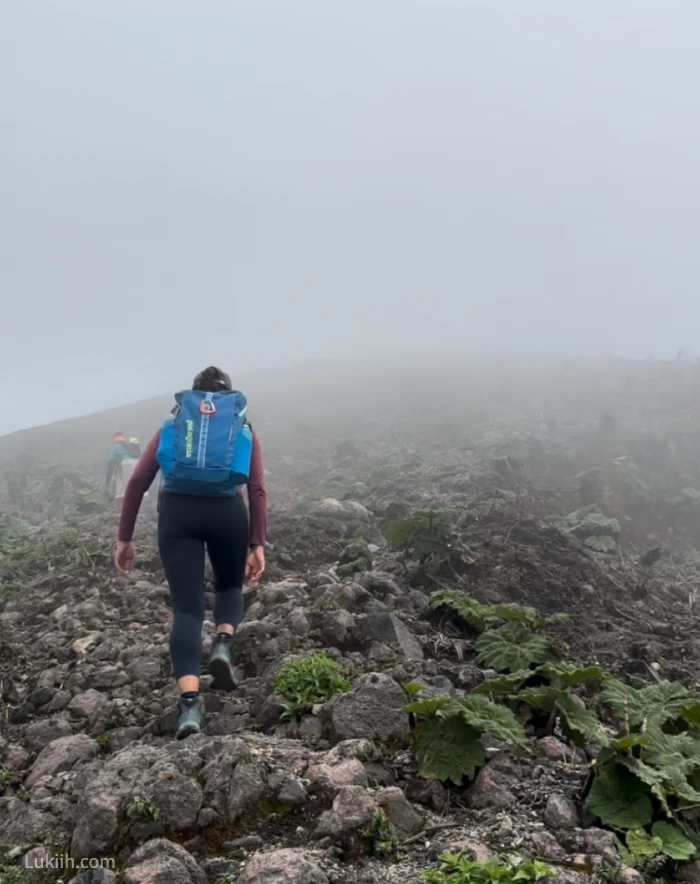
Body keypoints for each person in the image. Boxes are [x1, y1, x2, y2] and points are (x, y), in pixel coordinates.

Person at [114, 367, 267, 739]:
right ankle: (224, 643)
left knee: (187, 610)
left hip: (178, 515)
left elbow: (137, 481)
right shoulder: (241, 426)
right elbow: (257, 486)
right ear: (228, 396)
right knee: (230, 589)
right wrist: (257, 543)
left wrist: (125, 538)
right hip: (228, 513)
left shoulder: (175, 423)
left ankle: (189, 707)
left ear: (195, 396)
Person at [105, 433, 140, 501]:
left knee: (121, 491)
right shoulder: (128, 446)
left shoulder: (115, 447)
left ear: (114, 439)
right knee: (135, 488)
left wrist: (107, 482)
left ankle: (122, 509)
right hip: (137, 463)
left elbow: (110, 465)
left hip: (125, 465)